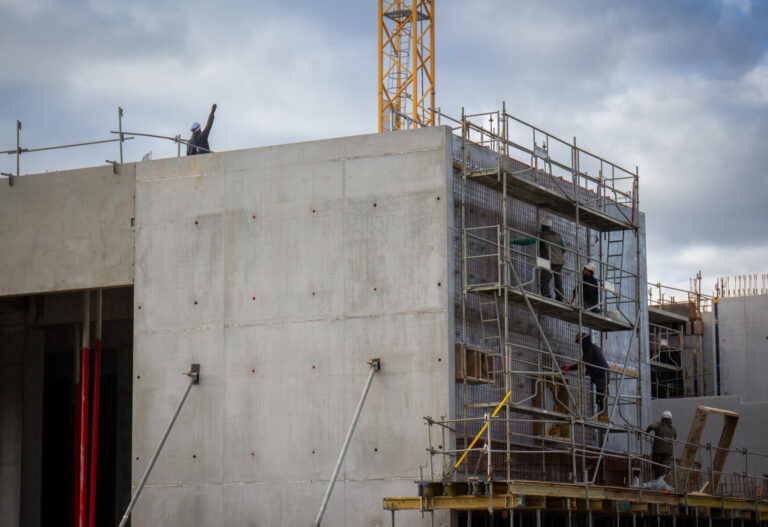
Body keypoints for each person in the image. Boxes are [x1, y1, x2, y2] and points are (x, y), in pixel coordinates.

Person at [511, 218, 565, 301]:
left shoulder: (542, 235)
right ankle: (560, 297)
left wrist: (514, 242)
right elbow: (563, 249)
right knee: (558, 281)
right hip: (560, 262)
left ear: (542, 226)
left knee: (544, 279)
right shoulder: (558, 236)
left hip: (549, 261)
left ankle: (546, 296)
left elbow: (529, 241)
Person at [562, 332, 609, 422]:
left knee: (601, 396)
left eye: (580, 342)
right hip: (601, 375)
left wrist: (568, 368)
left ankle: (603, 417)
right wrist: (587, 372)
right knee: (601, 395)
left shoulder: (591, 349)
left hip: (601, 375)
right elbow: (591, 363)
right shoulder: (592, 348)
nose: (580, 345)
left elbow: (582, 364)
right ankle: (602, 416)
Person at [646, 410, 677, 480]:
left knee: (656, 466)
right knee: (664, 468)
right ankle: (662, 483)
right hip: (668, 452)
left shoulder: (659, 425)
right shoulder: (673, 430)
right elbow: (674, 439)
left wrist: (646, 432)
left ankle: (657, 482)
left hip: (658, 451)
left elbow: (651, 426)